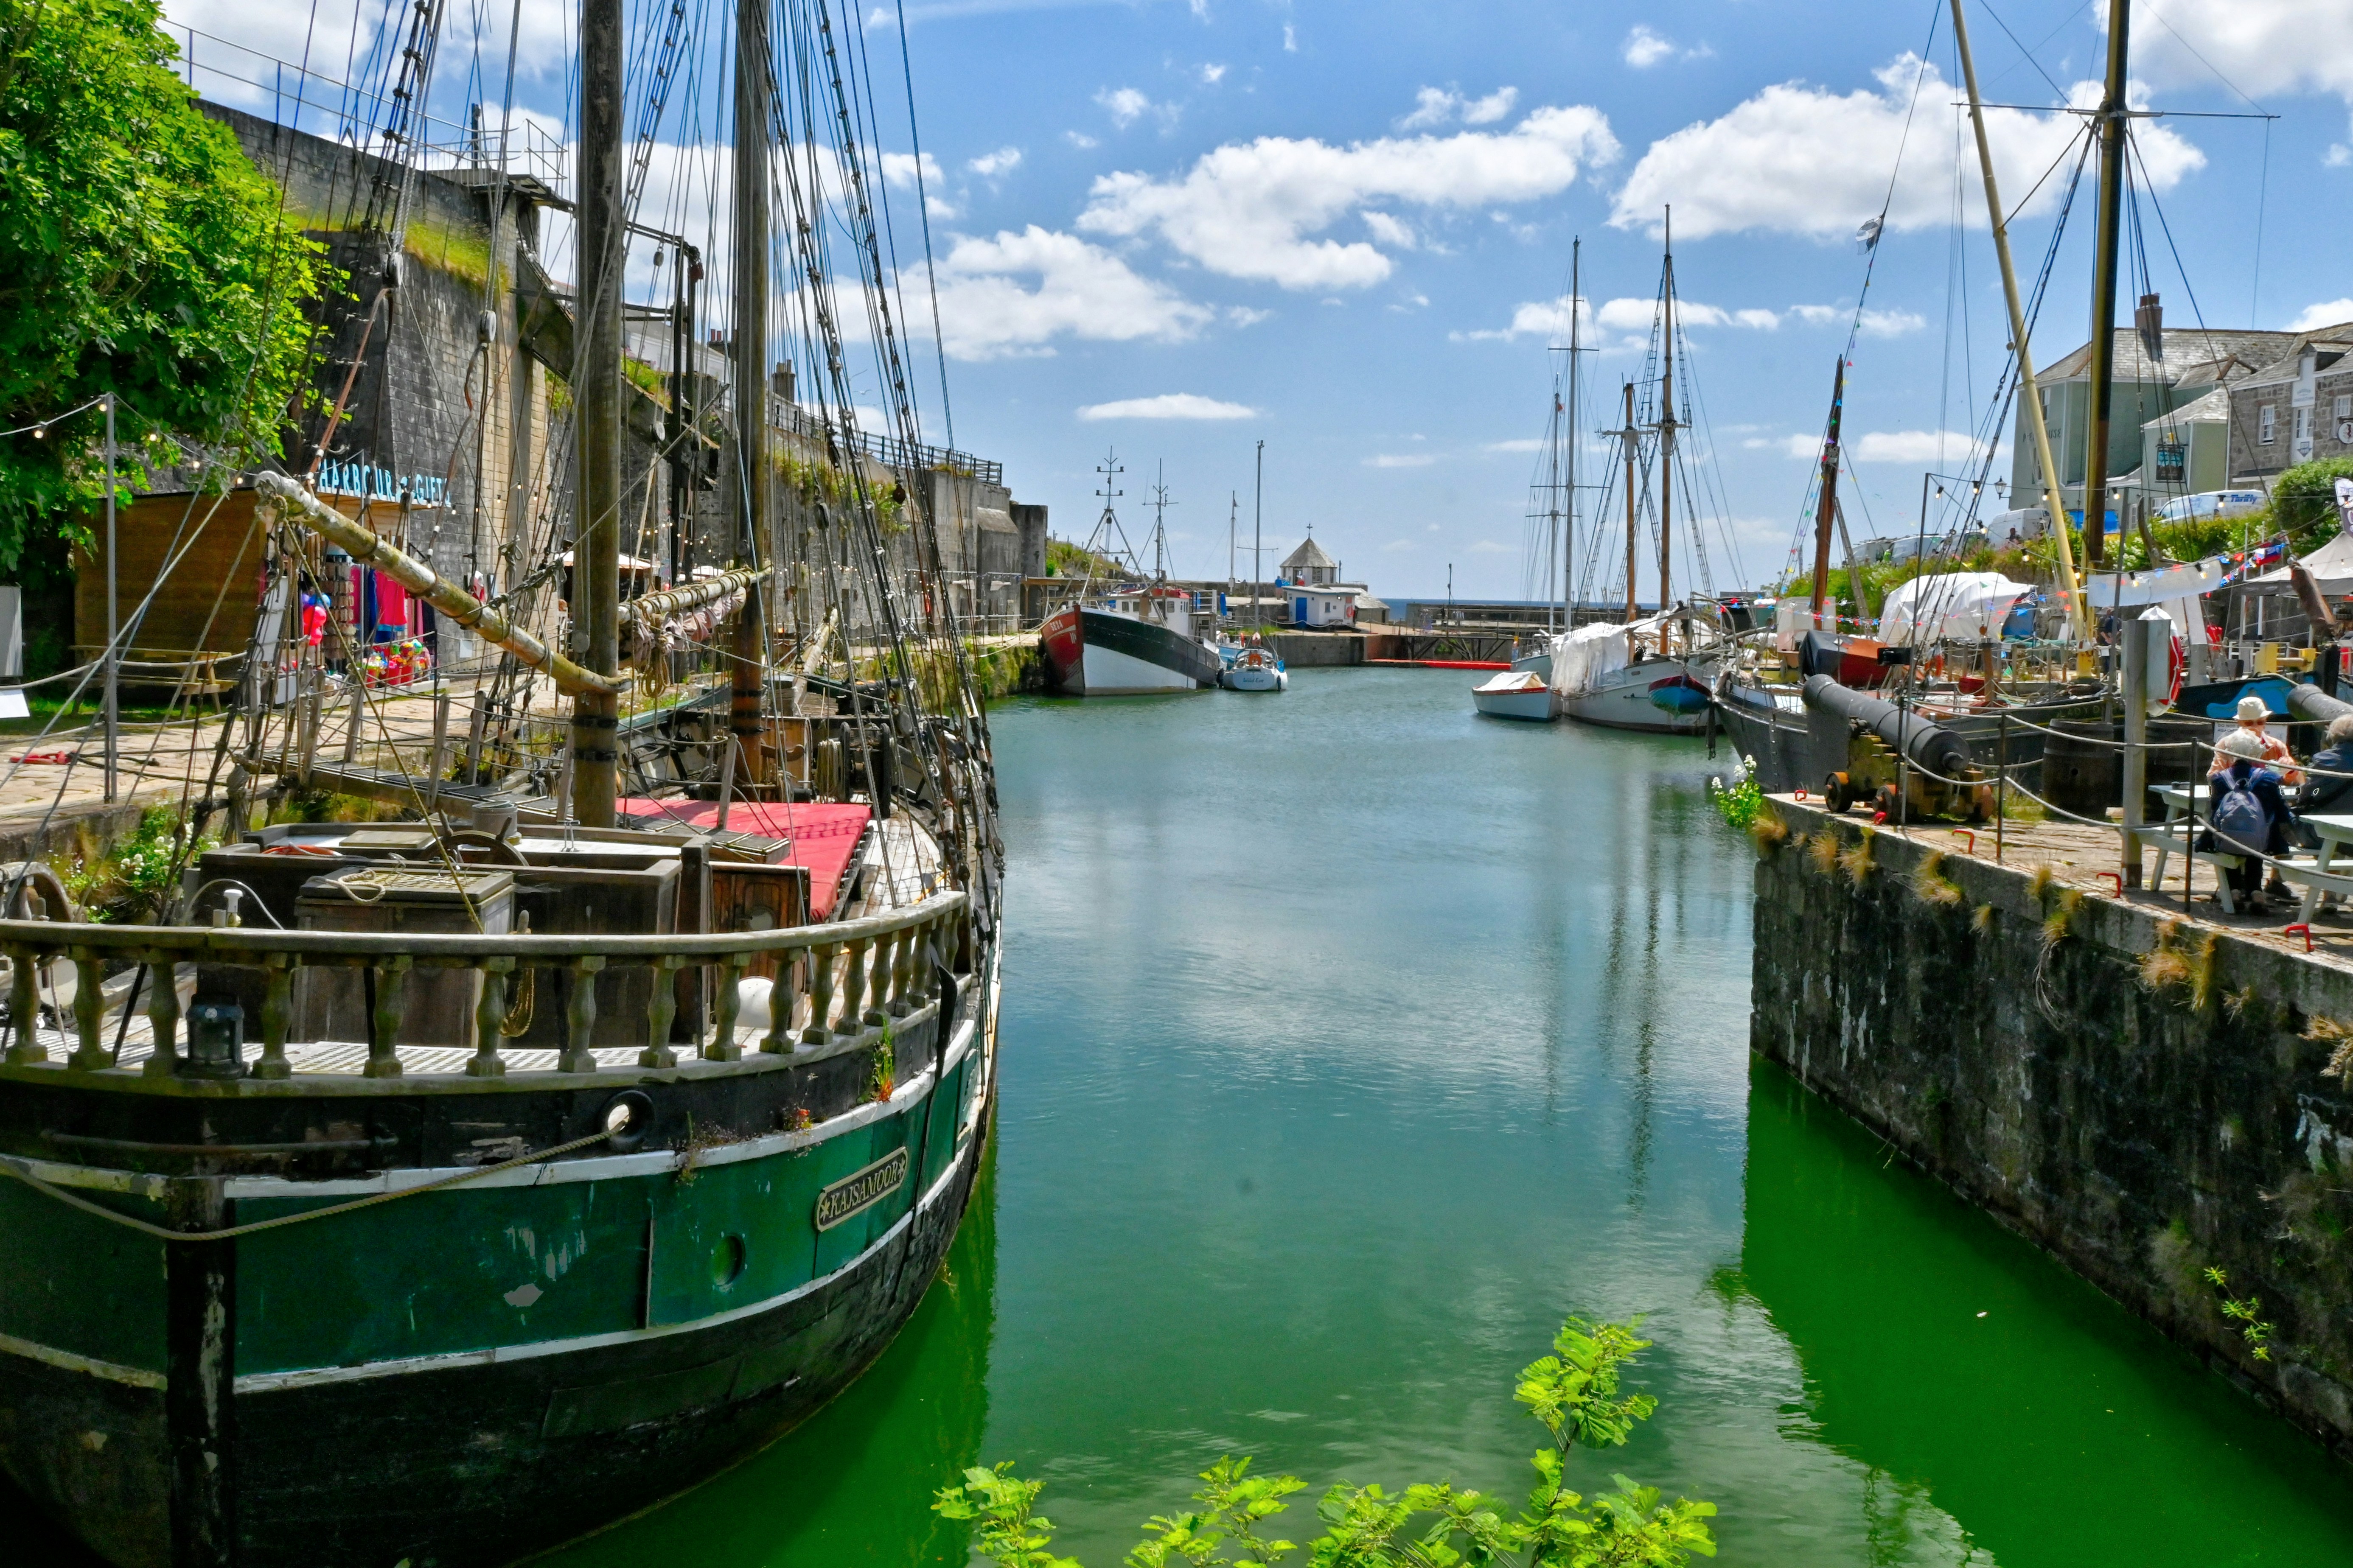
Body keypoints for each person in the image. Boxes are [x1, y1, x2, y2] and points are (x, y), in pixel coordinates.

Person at [2204, 728, 2292, 914]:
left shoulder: (2219, 779)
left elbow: (2214, 812)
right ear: (2258, 754)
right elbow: (2281, 811)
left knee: (2229, 837)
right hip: (2261, 842)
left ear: (2230, 754)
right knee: (2257, 841)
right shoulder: (2270, 779)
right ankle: (2256, 892)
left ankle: (2235, 891)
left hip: (2227, 839)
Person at [2210, 694, 2302, 787]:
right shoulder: (2225, 745)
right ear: (2239, 723)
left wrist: (2291, 771)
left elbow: (2298, 783)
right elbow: (2213, 777)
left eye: (2260, 722)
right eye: (2249, 723)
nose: (2255, 727)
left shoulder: (2277, 746)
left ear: (2265, 721)